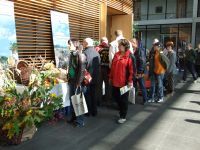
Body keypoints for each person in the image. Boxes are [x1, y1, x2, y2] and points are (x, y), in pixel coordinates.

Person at [110, 39, 134, 124]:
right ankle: (121, 111)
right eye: (118, 45)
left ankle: (123, 116)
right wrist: (111, 77)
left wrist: (130, 81)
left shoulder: (130, 56)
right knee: (116, 97)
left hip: (124, 82)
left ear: (125, 46)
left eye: (120, 45)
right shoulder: (116, 54)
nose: (118, 46)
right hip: (115, 81)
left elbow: (132, 70)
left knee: (123, 100)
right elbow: (112, 67)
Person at [68, 39, 87, 127]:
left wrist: (79, 83)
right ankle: (74, 118)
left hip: (77, 82)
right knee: (72, 100)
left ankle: (80, 121)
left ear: (75, 45)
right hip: (72, 81)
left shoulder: (81, 55)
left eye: (70, 44)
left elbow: (82, 71)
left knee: (78, 101)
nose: (68, 46)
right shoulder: (72, 55)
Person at [83, 38, 101, 116]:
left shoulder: (85, 53)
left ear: (86, 43)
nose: (82, 44)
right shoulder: (96, 53)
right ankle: (94, 111)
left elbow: (83, 66)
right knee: (93, 94)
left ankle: (88, 112)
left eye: (83, 42)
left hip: (87, 77)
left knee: (87, 95)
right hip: (96, 77)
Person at [130, 38, 148, 105]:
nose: (131, 43)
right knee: (134, 86)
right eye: (131, 41)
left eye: (132, 42)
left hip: (139, 72)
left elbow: (142, 62)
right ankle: (133, 99)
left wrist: (140, 72)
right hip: (134, 72)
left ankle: (145, 99)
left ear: (136, 43)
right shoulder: (132, 51)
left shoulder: (140, 51)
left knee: (142, 85)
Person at [95, 37, 111, 106]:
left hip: (100, 69)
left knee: (99, 85)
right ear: (106, 41)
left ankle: (99, 101)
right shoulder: (110, 48)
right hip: (108, 70)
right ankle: (107, 100)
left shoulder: (97, 48)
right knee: (108, 85)